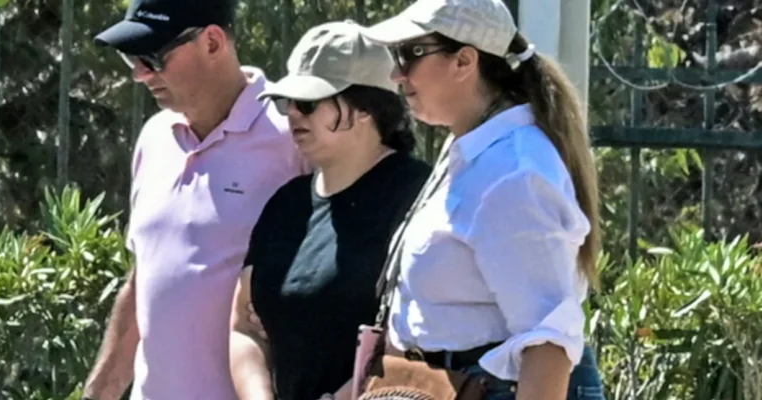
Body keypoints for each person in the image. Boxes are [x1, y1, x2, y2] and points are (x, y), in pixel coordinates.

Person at [356, 0, 606, 399]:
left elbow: (548, 344)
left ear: (464, 61)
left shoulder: (514, 171)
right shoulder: (474, 147)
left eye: (411, 53)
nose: (397, 73)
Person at [82, 0, 309, 398]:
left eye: (152, 57)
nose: (139, 74)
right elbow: (144, 281)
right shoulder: (154, 137)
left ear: (212, 42)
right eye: (131, 58)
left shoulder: (294, 140)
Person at [228, 20, 431, 400]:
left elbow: (419, 338)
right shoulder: (286, 203)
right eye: (286, 101)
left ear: (366, 107)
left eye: (307, 103)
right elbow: (243, 326)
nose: (292, 113)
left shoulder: (421, 199)